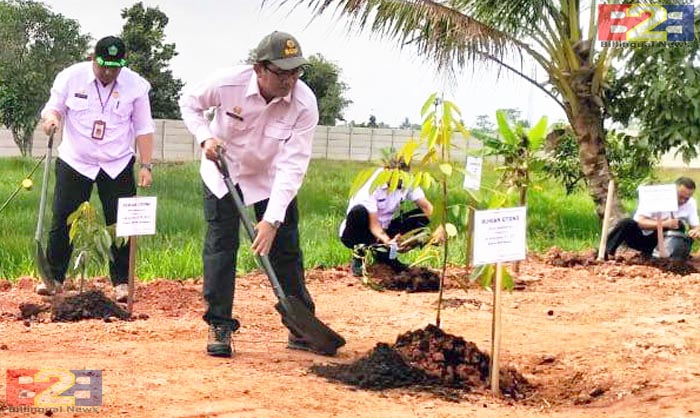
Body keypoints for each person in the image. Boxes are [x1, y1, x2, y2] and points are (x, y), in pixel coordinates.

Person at [179, 31, 326, 358]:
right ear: (260, 68)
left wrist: (272, 220)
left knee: (285, 248)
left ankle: (301, 324)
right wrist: (205, 137)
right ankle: (219, 323)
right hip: (223, 174)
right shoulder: (227, 83)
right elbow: (189, 103)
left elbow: (294, 164)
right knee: (221, 246)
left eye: (295, 71)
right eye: (281, 72)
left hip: (271, 180)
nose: (289, 80)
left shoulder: (304, 103)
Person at [39, 36, 155, 302]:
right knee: (63, 217)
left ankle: (122, 283)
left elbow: (144, 128)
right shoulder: (70, 77)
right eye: (103, 66)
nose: (108, 72)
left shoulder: (135, 86)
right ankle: (54, 278)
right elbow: (53, 109)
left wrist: (146, 165)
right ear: (93, 58)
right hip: (75, 160)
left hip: (117, 162)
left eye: (114, 67)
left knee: (120, 221)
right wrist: (51, 121)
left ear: (122, 65)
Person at [339, 159, 437, 276]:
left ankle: (386, 258)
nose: (399, 182)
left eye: (402, 178)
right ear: (387, 172)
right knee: (359, 212)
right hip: (361, 232)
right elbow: (374, 226)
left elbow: (427, 208)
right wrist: (389, 242)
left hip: (385, 228)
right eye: (396, 178)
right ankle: (359, 256)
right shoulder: (372, 185)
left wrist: (439, 228)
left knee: (423, 216)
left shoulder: (407, 181)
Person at [606, 177, 700, 260]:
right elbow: (640, 222)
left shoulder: (690, 203)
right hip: (639, 237)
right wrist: (664, 224)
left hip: (661, 242)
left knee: (679, 225)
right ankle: (606, 252)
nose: (683, 201)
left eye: (686, 198)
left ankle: (672, 257)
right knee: (626, 223)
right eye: (680, 197)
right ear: (672, 191)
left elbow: (695, 226)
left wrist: (696, 231)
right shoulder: (655, 197)